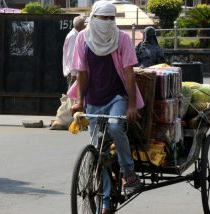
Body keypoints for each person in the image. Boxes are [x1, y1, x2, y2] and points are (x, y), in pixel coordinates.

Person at [70, 1, 142, 213]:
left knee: (115, 127)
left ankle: (129, 173)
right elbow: (81, 72)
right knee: (97, 151)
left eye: (112, 18)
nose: (109, 22)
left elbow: (129, 74)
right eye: (105, 18)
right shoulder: (83, 38)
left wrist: (131, 105)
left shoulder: (122, 39)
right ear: (94, 18)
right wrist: (80, 101)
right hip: (93, 99)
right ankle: (106, 200)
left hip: (117, 97)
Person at [62, 15, 86, 90]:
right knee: (72, 99)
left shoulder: (76, 35)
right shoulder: (73, 36)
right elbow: (71, 56)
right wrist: (73, 73)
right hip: (73, 74)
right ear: (82, 26)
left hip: (75, 73)